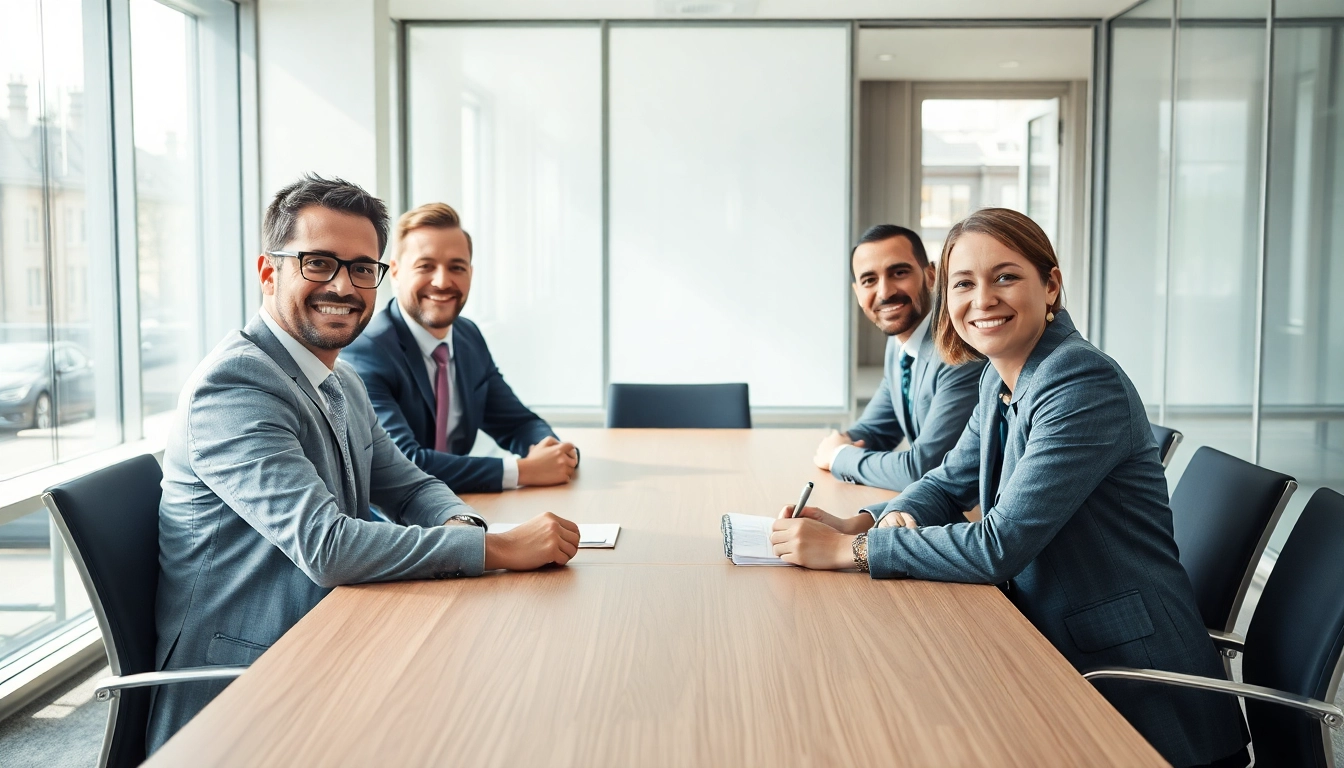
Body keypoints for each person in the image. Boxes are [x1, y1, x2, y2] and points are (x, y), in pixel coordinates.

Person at [771, 208, 1248, 767]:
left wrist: (850, 552)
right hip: (1048, 642)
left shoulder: (1079, 381)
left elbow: (999, 546)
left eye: (1005, 277)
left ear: (1050, 285)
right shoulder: (1000, 375)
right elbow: (947, 483)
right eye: (964, 284)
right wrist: (864, 521)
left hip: (1132, 692)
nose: (983, 299)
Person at [149, 176, 581, 752]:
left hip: (336, 637)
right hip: (245, 690)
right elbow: (326, 547)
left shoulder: (339, 377)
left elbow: (408, 484)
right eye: (319, 262)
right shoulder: (235, 386)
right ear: (268, 271)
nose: (343, 285)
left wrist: (460, 525)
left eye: (360, 268)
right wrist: (496, 549)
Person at [343, 203, 577, 494]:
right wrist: (522, 470)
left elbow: (517, 423)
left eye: (456, 267)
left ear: (470, 273)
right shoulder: (367, 351)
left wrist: (555, 451)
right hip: (398, 523)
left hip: (466, 503)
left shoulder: (467, 336)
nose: (442, 281)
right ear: (396, 272)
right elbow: (405, 462)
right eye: (425, 266)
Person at [813, 225, 982, 501]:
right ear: (858, 292)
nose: (885, 292)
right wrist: (840, 444)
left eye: (899, 273)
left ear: (930, 275)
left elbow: (923, 469)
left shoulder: (957, 352)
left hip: (971, 516)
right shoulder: (900, 344)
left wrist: (839, 456)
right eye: (869, 280)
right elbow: (874, 430)